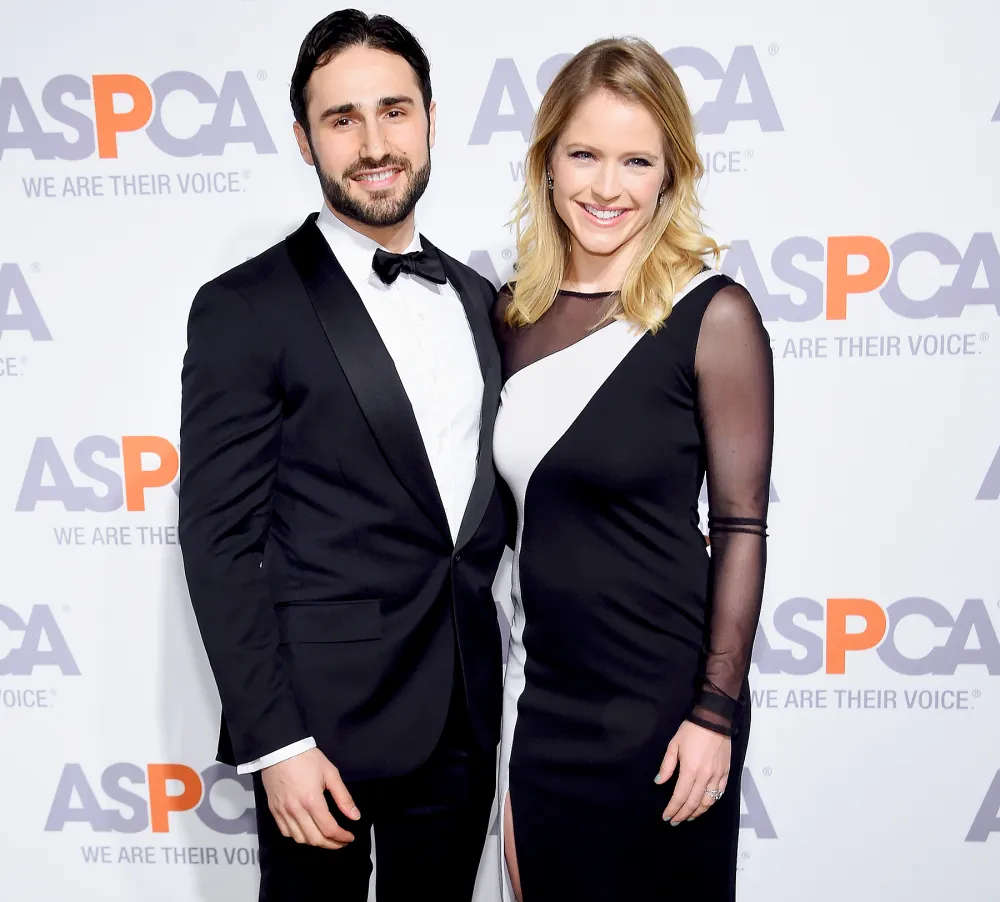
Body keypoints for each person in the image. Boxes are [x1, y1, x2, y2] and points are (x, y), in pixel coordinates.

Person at [177, 10, 506, 901]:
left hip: (465, 715)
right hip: (319, 730)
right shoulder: (245, 307)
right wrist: (276, 745)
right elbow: (217, 543)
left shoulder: (484, 302)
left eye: (394, 112)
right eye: (342, 119)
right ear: (303, 139)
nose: (373, 144)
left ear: (431, 118)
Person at [491, 37, 774, 901]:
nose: (607, 188)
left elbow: (741, 526)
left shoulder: (712, 315)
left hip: (665, 717)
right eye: (584, 154)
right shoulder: (511, 317)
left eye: (635, 161)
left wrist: (714, 713)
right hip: (540, 712)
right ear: (546, 162)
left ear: (669, 173)